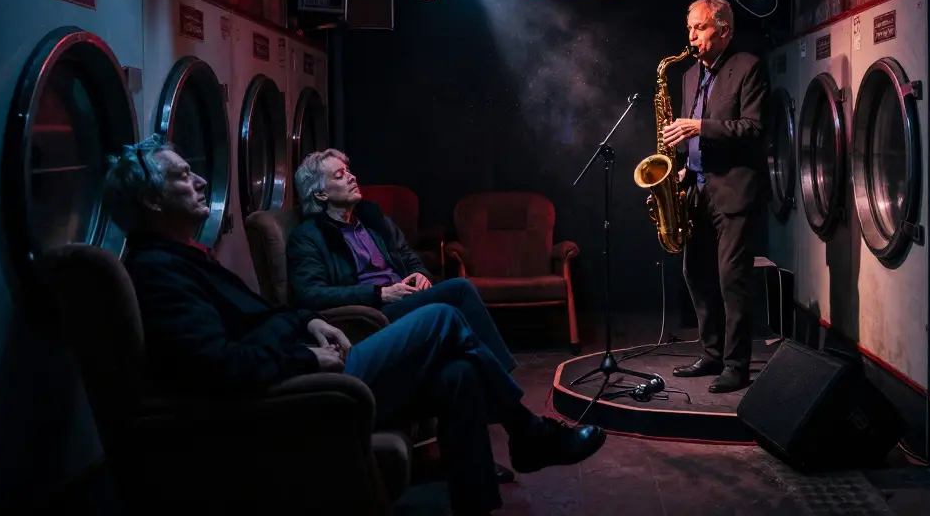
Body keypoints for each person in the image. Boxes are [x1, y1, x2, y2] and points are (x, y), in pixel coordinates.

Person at [103, 136, 605, 515]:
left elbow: (266, 316)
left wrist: (306, 327)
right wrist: (312, 346)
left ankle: (482, 494)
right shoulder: (160, 273)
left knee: (460, 374)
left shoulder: (188, 257)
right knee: (450, 312)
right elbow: (216, 364)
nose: (199, 182)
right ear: (151, 201)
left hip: (313, 356)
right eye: (183, 176)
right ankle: (528, 431)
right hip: (308, 383)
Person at [286, 149, 516, 375]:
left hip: (406, 296)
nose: (351, 177)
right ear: (321, 195)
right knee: (460, 289)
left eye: (348, 171)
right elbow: (311, 293)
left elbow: (407, 255)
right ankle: (502, 373)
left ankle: (485, 377)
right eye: (339, 175)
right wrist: (380, 294)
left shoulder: (372, 219)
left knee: (457, 353)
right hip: (373, 312)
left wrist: (421, 275)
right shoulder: (309, 237)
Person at [661, 0, 768, 394]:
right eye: (689, 27)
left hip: (735, 192)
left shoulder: (749, 68)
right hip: (697, 190)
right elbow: (695, 135)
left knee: (731, 282)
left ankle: (736, 366)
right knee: (696, 274)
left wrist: (698, 127)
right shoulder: (690, 74)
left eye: (700, 28)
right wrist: (685, 166)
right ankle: (711, 353)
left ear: (724, 30)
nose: (691, 36)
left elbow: (753, 129)